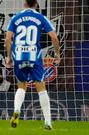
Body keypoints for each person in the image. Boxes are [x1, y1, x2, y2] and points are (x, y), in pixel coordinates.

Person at [5, 0, 61, 130]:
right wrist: (57, 55)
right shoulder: (40, 17)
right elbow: (54, 37)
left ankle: (17, 110)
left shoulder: (16, 17)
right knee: (41, 87)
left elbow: (8, 38)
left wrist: (8, 57)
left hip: (18, 56)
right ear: (36, 4)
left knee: (21, 85)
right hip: (34, 56)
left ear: (24, 3)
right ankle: (48, 122)